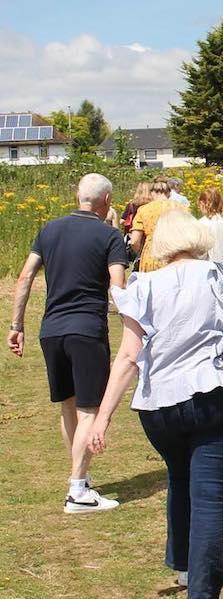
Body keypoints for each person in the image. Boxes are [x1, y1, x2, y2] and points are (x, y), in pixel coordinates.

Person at [88, 209, 223, 599]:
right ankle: (203, 598)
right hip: (212, 396)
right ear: (198, 238)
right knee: (208, 493)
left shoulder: (142, 285)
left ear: (160, 244)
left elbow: (128, 356)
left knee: (179, 478)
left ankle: (184, 567)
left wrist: (102, 417)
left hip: (157, 407)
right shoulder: (221, 273)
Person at [7, 173, 128, 513]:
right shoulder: (110, 236)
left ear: (78, 196)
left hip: (51, 331)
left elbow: (25, 276)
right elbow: (117, 288)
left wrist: (17, 325)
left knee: (68, 405)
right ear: (106, 201)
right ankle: (77, 490)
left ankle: (81, 476)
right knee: (89, 408)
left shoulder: (49, 230)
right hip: (87, 330)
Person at [131, 179, 183, 273]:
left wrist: (140, 252)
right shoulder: (181, 207)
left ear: (152, 193)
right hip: (176, 255)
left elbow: (134, 241)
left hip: (152, 254)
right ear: (169, 193)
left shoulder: (144, 210)